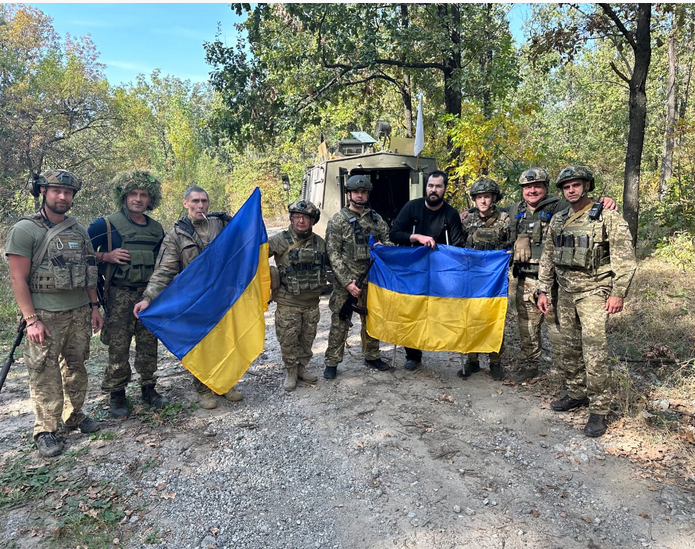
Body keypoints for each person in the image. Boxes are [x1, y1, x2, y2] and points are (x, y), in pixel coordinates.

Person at [6, 169, 103, 458]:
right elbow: (17, 278)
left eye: (68, 192)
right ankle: (45, 430)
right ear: (43, 192)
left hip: (78, 312)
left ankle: (74, 416)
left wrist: (94, 306)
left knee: (76, 367)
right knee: (44, 372)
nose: (62, 196)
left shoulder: (79, 230)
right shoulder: (25, 230)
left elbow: (88, 272)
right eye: (56, 191)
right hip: (45, 315)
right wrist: (31, 319)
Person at [537, 166, 636, 438]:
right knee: (568, 347)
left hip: (594, 292)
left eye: (576, 185)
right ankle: (576, 393)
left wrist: (618, 292)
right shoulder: (559, 219)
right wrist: (543, 290)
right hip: (565, 292)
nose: (571, 190)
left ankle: (599, 409)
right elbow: (548, 257)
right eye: (566, 186)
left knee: (594, 350)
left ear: (587, 186)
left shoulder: (607, 215)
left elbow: (625, 259)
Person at [132, 186, 243, 409]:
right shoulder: (176, 234)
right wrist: (148, 298)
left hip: (223, 296)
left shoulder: (222, 224)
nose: (200, 205)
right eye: (195, 201)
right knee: (201, 344)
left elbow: (242, 248)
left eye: (204, 201)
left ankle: (226, 383)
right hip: (196, 300)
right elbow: (165, 270)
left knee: (226, 341)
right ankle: (203, 389)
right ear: (186, 204)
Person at [509, 168, 617, 383]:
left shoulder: (559, 206)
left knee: (559, 330)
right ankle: (530, 365)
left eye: (537, 186)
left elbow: (583, 205)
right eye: (527, 187)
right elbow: (492, 215)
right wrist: (469, 213)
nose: (532, 190)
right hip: (525, 278)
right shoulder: (514, 210)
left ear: (546, 187)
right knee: (527, 327)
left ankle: (566, 374)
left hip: (554, 282)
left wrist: (604, 200)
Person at [88, 170, 167, 418]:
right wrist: (105, 256)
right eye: (133, 194)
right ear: (123, 196)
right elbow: (79, 253)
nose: (138, 199)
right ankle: (117, 393)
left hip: (149, 296)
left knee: (148, 343)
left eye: (143, 194)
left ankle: (148, 388)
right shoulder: (105, 225)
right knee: (118, 346)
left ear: (150, 198)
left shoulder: (156, 229)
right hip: (118, 294)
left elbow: (166, 263)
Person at [389, 170, 465, 370]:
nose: (433, 190)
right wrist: (416, 237)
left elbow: (457, 246)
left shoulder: (451, 214)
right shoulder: (412, 207)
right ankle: (413, 355)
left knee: (441, 310)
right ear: (426, 187)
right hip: (413, 271)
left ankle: (443, 343)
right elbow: (394, 234)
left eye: (438, 186)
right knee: (411, 311)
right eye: (430, 185)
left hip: (440, 272)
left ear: (444, 189)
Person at [323, 174, 393, 379]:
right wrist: (347, 282)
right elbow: (333, 253)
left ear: (367, 194)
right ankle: (332, 361)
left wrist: (383, 246)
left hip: (372, 280)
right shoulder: (338, 220)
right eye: (356, 192)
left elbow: (389, 242)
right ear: (349, 194)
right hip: (346, 282)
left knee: (371, 319)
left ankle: (372, 355)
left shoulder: (375, 219)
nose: (360, 195)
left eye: (363, 192)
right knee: (340, 321)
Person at [268, 200, 327, 391]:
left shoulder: (320, 243)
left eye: (306, 218)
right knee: (288, 340)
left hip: (311, 303)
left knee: (307, 339)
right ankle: (291, 371)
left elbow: (331, 265)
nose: (301, 221)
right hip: (288, 302)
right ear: (291, 219)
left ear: (313, 221)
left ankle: (302, 368)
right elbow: (256, 258)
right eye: (297, 217)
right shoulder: (279, 240)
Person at [459, 177, 510, 381]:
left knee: (493, 319)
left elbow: (511, 244)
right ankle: (472, 360)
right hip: (472, 278)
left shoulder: (505, 219)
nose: (483, 200)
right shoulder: (467, 219)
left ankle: (495, 361)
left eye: (487, 196)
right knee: (470, 318)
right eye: (479, 197)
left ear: (494, 198)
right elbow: (458, 244)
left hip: (494, 279)